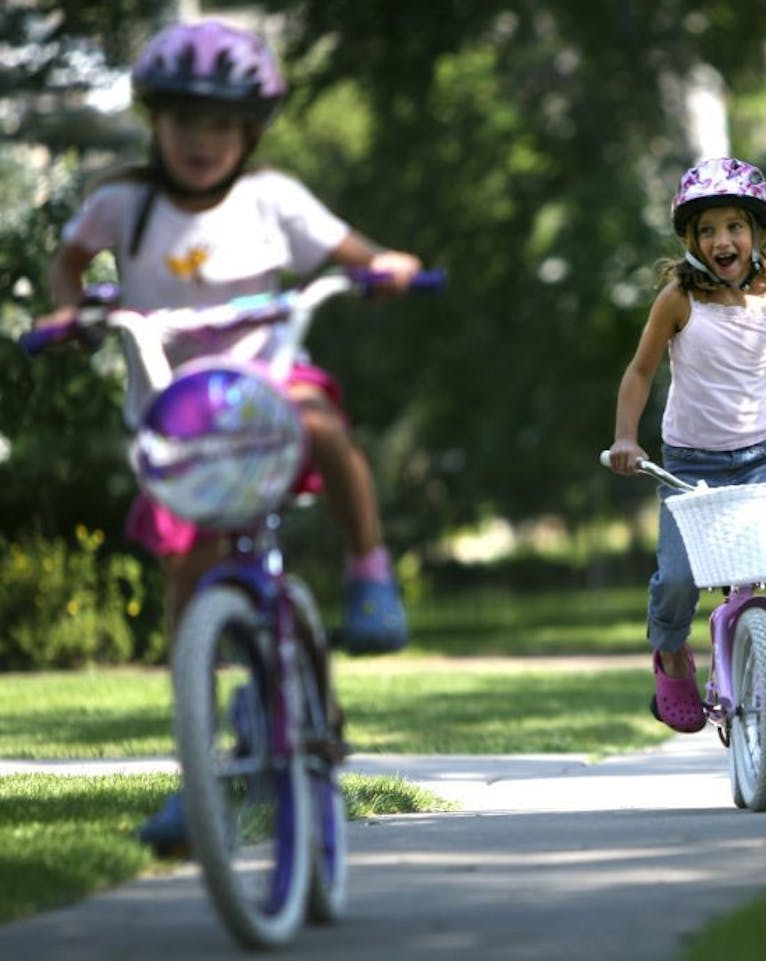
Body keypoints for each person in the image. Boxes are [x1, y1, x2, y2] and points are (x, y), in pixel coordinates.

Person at [34, 20, 422, 847]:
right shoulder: (122, 204)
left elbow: (354, 251)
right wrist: (70, 307)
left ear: (248, 132)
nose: (201, 141)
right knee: (189, 585)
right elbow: (69, 261)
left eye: (220, 125)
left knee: (322, 421)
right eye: (185, 123)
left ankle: (370, 573)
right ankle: (198, 774)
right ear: (156, 126)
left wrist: (384, 266)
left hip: (268, 389)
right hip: (181, 418)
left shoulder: (271, 201)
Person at [607, 156, 766, 733]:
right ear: (692, 240)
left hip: (757, 460)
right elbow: (641, 371)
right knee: (675, 577)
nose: (723, 240)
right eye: (708, 230)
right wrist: (626, 438)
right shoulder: (677, 300)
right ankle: (672, 660)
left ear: (758, 235)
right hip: (688, 465)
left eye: (735, 227)